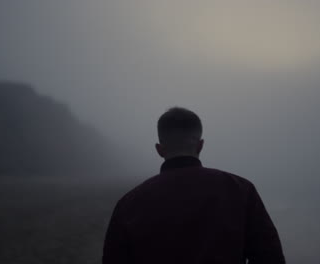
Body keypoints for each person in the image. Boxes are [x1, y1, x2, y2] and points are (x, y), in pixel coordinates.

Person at [103, 107, 286, 264]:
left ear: (159, 149)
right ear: (200, 145)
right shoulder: (241, 190)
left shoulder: (128, 204)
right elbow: (270, 257)